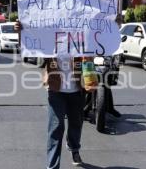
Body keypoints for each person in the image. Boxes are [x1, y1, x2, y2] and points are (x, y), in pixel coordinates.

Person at [14, 20, 93, 169]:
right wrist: (20, 32)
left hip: (77, 88)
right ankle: (52, 166)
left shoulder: (81, 34)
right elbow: (29, 45)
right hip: (56, 89)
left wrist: (114, 26)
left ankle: (74, 148)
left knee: (76, 123)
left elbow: (101, 39)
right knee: (56, 127)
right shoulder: (48, 37)